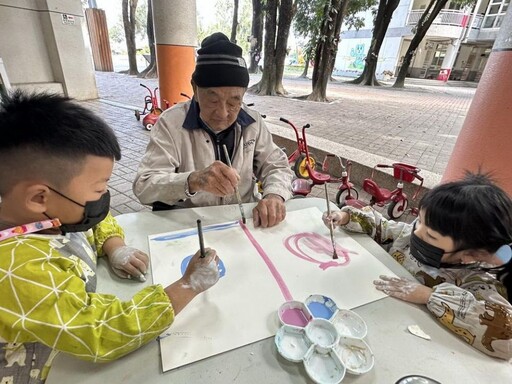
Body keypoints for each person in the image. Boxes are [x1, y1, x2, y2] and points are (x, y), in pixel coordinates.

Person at [0, 91, 220, 383]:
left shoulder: (43, 215)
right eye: (97, 190)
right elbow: (101, 331)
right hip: (51, 368)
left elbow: (95, 222)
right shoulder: (20, 270)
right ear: (40, 197)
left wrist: (114, 246)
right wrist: (187, 286)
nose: (104, 198)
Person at [323, 173, 512, 360]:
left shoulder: (476, 281)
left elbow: (506, 337)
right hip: (369, 312)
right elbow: (385, 228)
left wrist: (429, 295)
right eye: (419, 221)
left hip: (407, 345)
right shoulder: (408, 236)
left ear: (469, 255)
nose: (416, 233)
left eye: (430, 236)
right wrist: (345, 216)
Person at [133, 32, 293, 228]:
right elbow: (144, 186)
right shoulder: (170, 123)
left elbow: (276, 165)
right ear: (194, 88)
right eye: (213, 99)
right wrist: (193, 180)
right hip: (191, 225)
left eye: (234, 101)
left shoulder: (253, 123)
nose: (223, 113)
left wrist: (274, 195)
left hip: (242, 223)